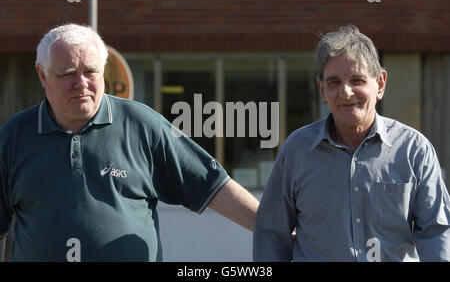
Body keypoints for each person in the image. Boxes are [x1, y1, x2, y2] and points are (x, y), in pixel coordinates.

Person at [0, 23, 259, 262]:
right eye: (66, 73)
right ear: (42, 75)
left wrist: (280, 229)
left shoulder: (141, 125)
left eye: (91, 71)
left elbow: (213, 186)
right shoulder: (14, 137)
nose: (81, 83)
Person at [253, 25, 450, 262]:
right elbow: (272, 233)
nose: (346, 93)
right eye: (334, 82)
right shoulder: (297, 150)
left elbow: (436, 233)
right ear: (322, 90)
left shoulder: (413, 150)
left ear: (380, 83)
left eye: (357, 80)